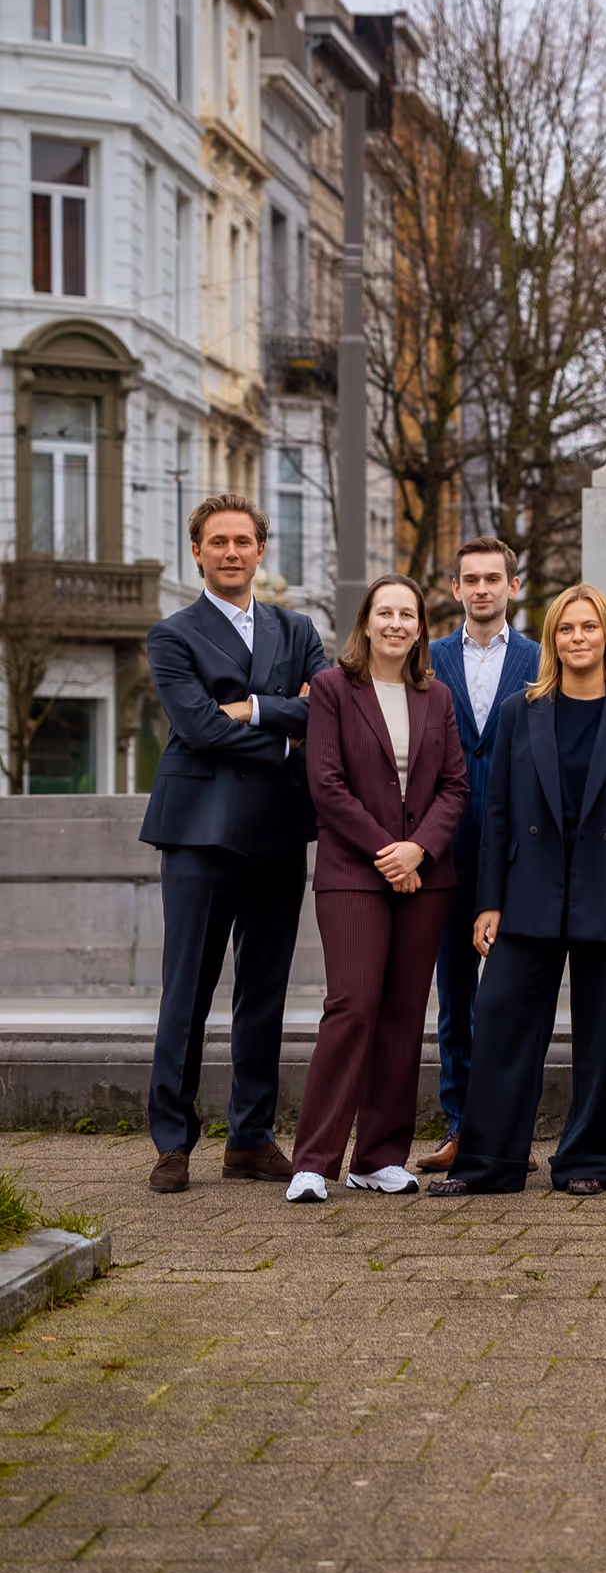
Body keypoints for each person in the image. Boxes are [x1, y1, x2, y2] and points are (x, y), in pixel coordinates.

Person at [427, 586, 606, 1200]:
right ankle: (488, 1164)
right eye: (566, 628)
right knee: (503, 1024)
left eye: (590, 627)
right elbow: (500, 813)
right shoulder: (520, 710)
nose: (578, 638)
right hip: (528, 891)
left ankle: (586, 1159)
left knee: (605, 1035)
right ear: (552, 639)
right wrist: (489, 901)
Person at [140, 496, 327, 1194]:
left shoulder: (296, 627)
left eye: (242, 541)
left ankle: (251, 1136)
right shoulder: (172, 635)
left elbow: (327, 704)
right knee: (185, 988)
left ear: (259, 550)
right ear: (197, 551)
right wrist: (286, 727)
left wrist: (253, 708)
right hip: (197, 832)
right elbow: (198, 728)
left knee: (265, 990)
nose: (230, 551)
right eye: (217, 541)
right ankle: (172, 1140)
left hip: (278, 829)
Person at [285, 577, 468, 1205]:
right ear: (366, 622)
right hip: (354, 873)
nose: (396, 623)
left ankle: (379, 1156)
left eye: (407, 614)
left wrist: (420, 848)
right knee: (353, 1006)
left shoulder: (435, 695)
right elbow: (327, 785)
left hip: (425, 874)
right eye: (385, 612)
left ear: (421, 628)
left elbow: (455, 787)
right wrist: (390, 853)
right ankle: (314, 1161)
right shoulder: (334, 691)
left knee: (402, 1016)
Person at [416, 538, 540, 1174]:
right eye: (472, 579)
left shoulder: (542, 661)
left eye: (495, 578)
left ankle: (508, 1126)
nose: (483, 588)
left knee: (515, 997)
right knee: (454, 992)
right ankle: (460, 1125)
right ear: (456, 588)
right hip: (445, 848)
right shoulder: (428, 659)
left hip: (521, 849)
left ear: (514, 586)